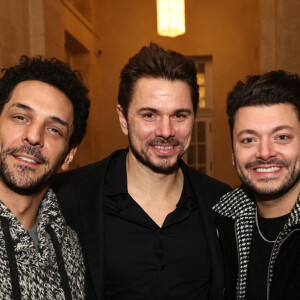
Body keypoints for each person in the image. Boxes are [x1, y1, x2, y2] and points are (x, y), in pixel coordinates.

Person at [53, 43, 231, 300]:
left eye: (179, 115)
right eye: (149, 115)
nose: (166, 131)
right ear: (124, 119)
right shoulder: (69, 197)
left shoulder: (220, 203)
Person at [0, 56, 90, 299]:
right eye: (20, 117)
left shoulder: (71, 246)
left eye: (54, 129)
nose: (33, 136)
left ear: (69, 155)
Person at [213, 70, 300, 300]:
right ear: (233, 153)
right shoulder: (222, 223)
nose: (264, 153)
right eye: (248, 140)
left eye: (282, 137)